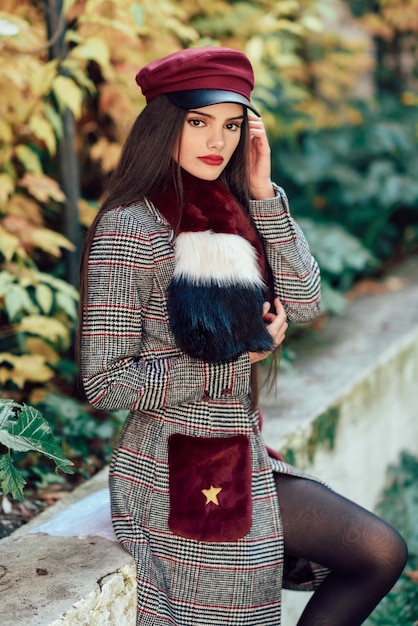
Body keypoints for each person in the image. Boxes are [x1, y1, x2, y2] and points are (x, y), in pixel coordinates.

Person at [78, 46, 407, 625]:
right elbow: (105, 383)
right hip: (175, 465)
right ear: (164, 126)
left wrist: (262, 193)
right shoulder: (133, 224)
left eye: (232, 125)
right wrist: (232, 361)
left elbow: (305, 301)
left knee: (378, 551)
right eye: (198, 122)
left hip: (240, 451)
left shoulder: (231, 210)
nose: (218, 141)